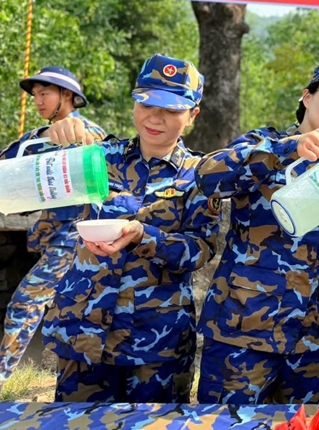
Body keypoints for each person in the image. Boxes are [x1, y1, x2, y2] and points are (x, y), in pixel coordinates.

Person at [195, 52, 319, 405]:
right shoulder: (266, 143)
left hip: (306, 336)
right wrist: (288, 149)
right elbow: (206, 177)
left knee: (300, 425)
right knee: (226, 425)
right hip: (242, 330)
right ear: (307, 97)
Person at [40, 54, 220, 404]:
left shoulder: (200, 175)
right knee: (76, 424)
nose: (155, 117)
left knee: (152, 425)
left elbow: (200, 248)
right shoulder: (96, 156)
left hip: (156, 340)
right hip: (85, 330)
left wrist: (144, 236)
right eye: (147, 103)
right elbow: (17, 177)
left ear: (192, 115)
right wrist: (47, 136)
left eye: (171, 109)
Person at [0, 66, 105, 391]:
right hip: (54, 240)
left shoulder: (88, 133)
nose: (38, 101)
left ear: (67, 95)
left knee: (25, 302)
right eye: (35, 95)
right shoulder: (37, 137)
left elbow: (105, 163)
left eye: (45, 93)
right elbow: (7, 165)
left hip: (78, 240)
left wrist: (72, 132)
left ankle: (3, 376)